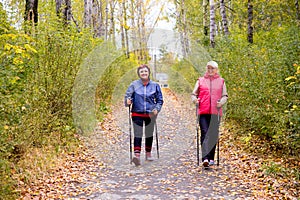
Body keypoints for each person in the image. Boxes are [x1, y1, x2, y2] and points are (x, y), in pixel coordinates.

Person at [124, 64, 164, 166]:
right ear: (139, 74)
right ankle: (136, 156)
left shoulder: (155, 85)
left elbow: (160, 100)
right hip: (137, 113)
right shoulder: (133, 85)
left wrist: (156, 109)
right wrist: (127, 101)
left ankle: (148, 153)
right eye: (142, 72)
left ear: (148, 72)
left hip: (150, 114)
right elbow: (128, 97)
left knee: (149, 134)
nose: (144, 73)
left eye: (145, 71)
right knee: (138, 134)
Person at [191, 61, 228, 168]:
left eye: (212, 68)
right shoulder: (200, 81)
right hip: (203, 112)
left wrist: (221, 102)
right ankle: (205, 158)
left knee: (213, 135)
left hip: (216, 112)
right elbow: (193, 94)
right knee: (204, 132)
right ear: (206, 69)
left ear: (216, 70)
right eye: (208, 68)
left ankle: (211, 158)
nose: (210, 70)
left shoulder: (221, 81)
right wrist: (195, 101)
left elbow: (225, 95)